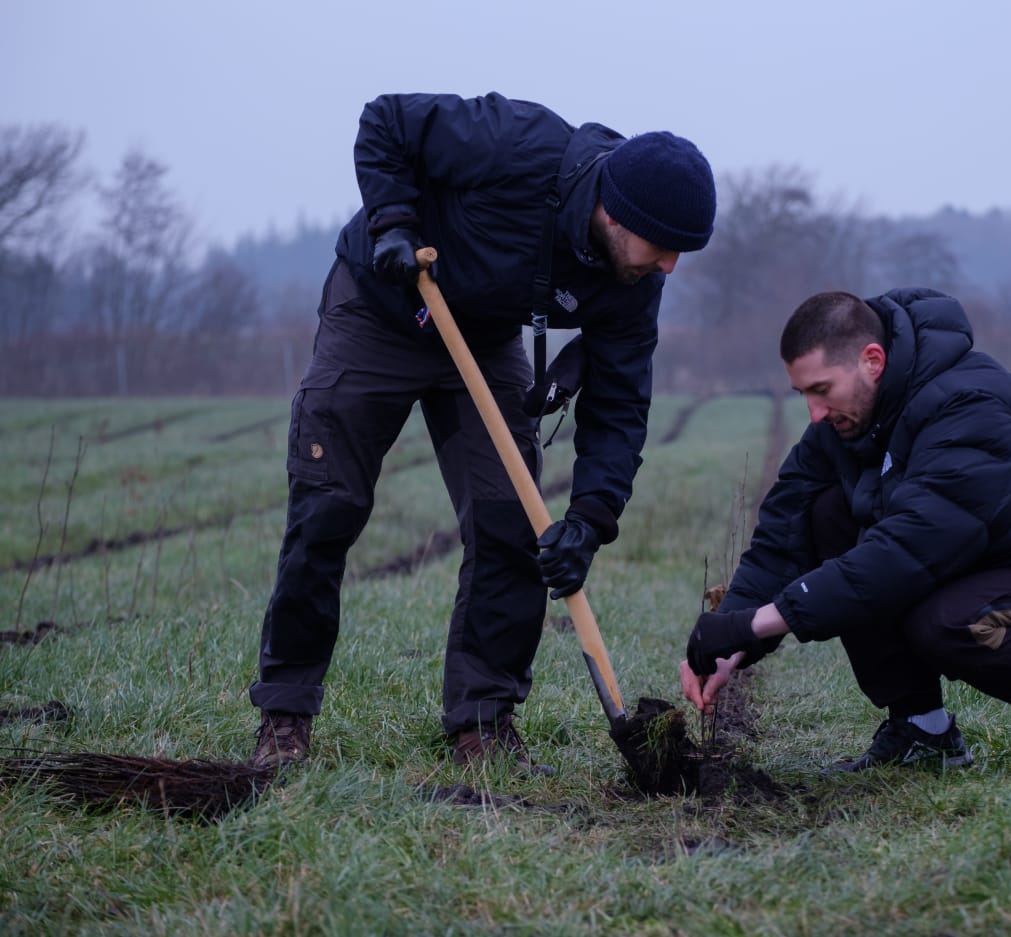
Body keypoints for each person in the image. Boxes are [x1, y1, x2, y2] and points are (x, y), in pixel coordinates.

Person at [249, 91, 716, 773]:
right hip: (384, 306)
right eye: (664, 246)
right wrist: (393, 225)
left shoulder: (633, 280)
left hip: (482, 334)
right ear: (615, 213)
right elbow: (387, 123)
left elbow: (619, 405)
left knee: (512, 524)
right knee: (329, 506)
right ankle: (286, 713)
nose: (669, 266)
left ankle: (482, 721)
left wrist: (589, 519)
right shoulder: (520, 144)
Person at [680, 288, 1011, 775]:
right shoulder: (849, 424)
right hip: (1008, 563)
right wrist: (732, 644)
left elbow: (906, 553)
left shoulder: (969, 404)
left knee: (945, 621)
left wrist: (760, 622)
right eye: (803, 394)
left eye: (822, 389)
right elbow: (783, 535)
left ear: (872, 360)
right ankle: (924, 730)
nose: (814, 413)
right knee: (827, 512)